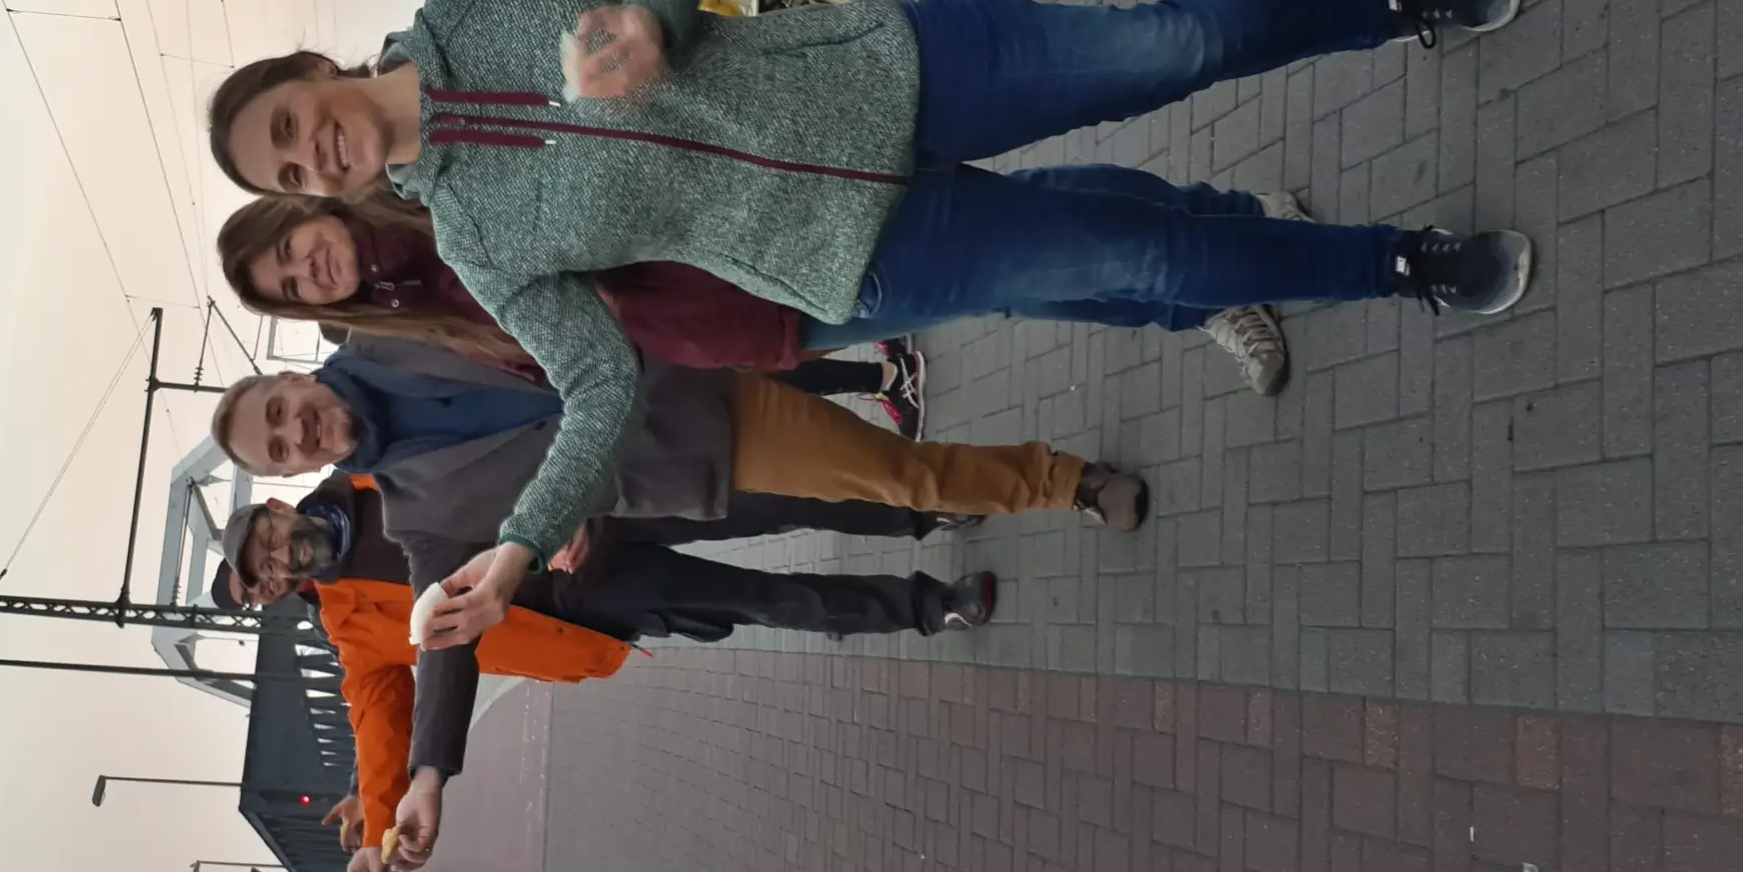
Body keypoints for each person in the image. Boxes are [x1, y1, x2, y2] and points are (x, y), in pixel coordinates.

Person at [206, 0, 1536, 645]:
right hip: (850, 252)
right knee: (1145, 252)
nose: (312, 155)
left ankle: (1393, 3)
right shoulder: (477, 241)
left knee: (1165, 47)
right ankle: (1399, 264)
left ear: (308, 71)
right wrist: (514, 550)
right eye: (290, 171)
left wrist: (651, 17)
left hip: (876, 70)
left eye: (290, 124)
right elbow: (599, 387)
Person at [212, 476, 995, 872]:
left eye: (267, 545)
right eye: (264, 575)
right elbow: (377, 717)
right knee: (767, 600)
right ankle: (930, 606)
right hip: (581, 598)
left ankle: (924, 502)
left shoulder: (370, 468)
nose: (278, 563)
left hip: (594, 492)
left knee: (775, 498)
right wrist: (383, 832)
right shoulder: (349, 623)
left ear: (278, 508)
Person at [208, 334, 1144, 548]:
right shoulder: (415, 515)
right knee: (899, 479)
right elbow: (441, 639)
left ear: (289, 379)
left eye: (280, 411)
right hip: (697, 440)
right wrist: (425, 775)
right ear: (298, 472)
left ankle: (1115, 261)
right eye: (281, 448)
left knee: (889, 282)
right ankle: (1068, 482)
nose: (296, 430)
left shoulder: (392, 328)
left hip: (681, 330)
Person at [217, 194, 957, 417]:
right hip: (730, 326)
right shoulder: (419, 322)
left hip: (743, 232)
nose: (308, 269)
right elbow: (560, 371)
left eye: (289, 248)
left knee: (967, 258)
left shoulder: (422, 179)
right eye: (293, 288)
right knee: (959, 286)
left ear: (304, 209)